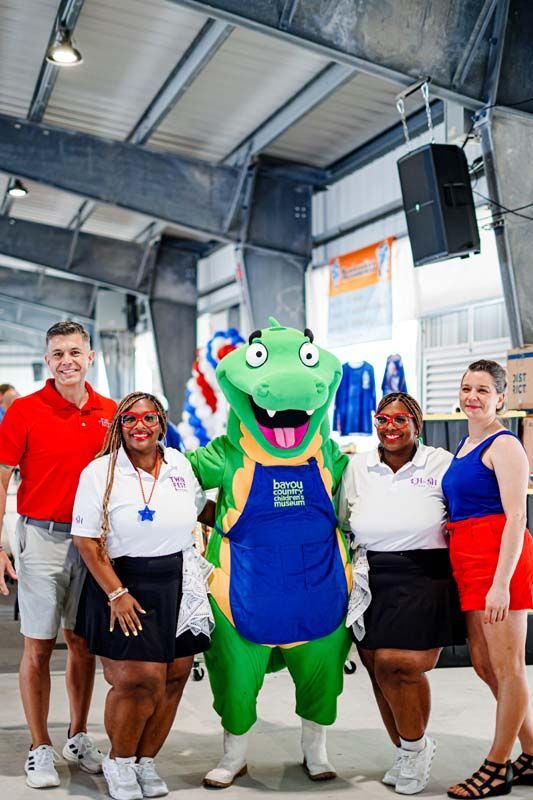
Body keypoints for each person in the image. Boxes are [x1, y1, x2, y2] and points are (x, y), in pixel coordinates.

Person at [72, 391, 215, 800]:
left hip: (179, 578)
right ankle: (119, 761)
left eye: (149, 418)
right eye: (131, 419)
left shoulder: (180, 466)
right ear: (119, 425)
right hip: (124, 582)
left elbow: (200, 510)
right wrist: (116, 592)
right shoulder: (100, 472)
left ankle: (143, 761)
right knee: (139, 680)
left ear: (161, 424)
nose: (140, 426)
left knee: (174, 675)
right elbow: (85, 540)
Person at [0, 321, 116, 788]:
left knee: (83, 645)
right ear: (47, 361)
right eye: (57, 354)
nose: (66, 360)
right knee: (39, 644)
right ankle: (38, 746)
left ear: (90, 357)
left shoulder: (111, 412)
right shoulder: (25, 411)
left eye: (74, 352)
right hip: (41, 539)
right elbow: (4, 475)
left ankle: (77, 735)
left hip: (93, 543)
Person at [338, 391, 465, 795]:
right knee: (378, 672)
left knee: (399, 666)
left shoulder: (441, 463)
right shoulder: (359, 466)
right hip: (372, 574)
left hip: (425, 575)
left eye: (400, 420)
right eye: (383, 419)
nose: (390, 427)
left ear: (417, 424)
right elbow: (344, 518)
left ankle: (416, 747)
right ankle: (405, 750)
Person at [443, 360, 533, 799]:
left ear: (501, 397)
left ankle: (498, 766)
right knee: (483, 664)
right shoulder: (465, 443)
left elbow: (516, 516)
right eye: (466, 388)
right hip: (468, 561)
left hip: (499, 562)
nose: (472, 397)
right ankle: (532, 751)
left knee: (508, 667)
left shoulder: (505, 445)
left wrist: (502, 582)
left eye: (482, 390)